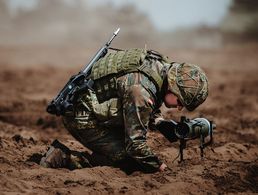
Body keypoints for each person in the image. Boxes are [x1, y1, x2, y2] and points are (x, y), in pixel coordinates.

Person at [40, 48, 208, 173]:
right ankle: (65, 157)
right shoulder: (141, 91)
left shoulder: (159, 68)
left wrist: (159, 122)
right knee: (128, 161)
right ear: (173, 87)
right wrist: (159, 167)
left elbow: (147, 100)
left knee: (131, 150)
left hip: (94, 105)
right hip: (82, 117)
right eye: (180, 101)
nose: (179, 107)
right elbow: (135, 145)